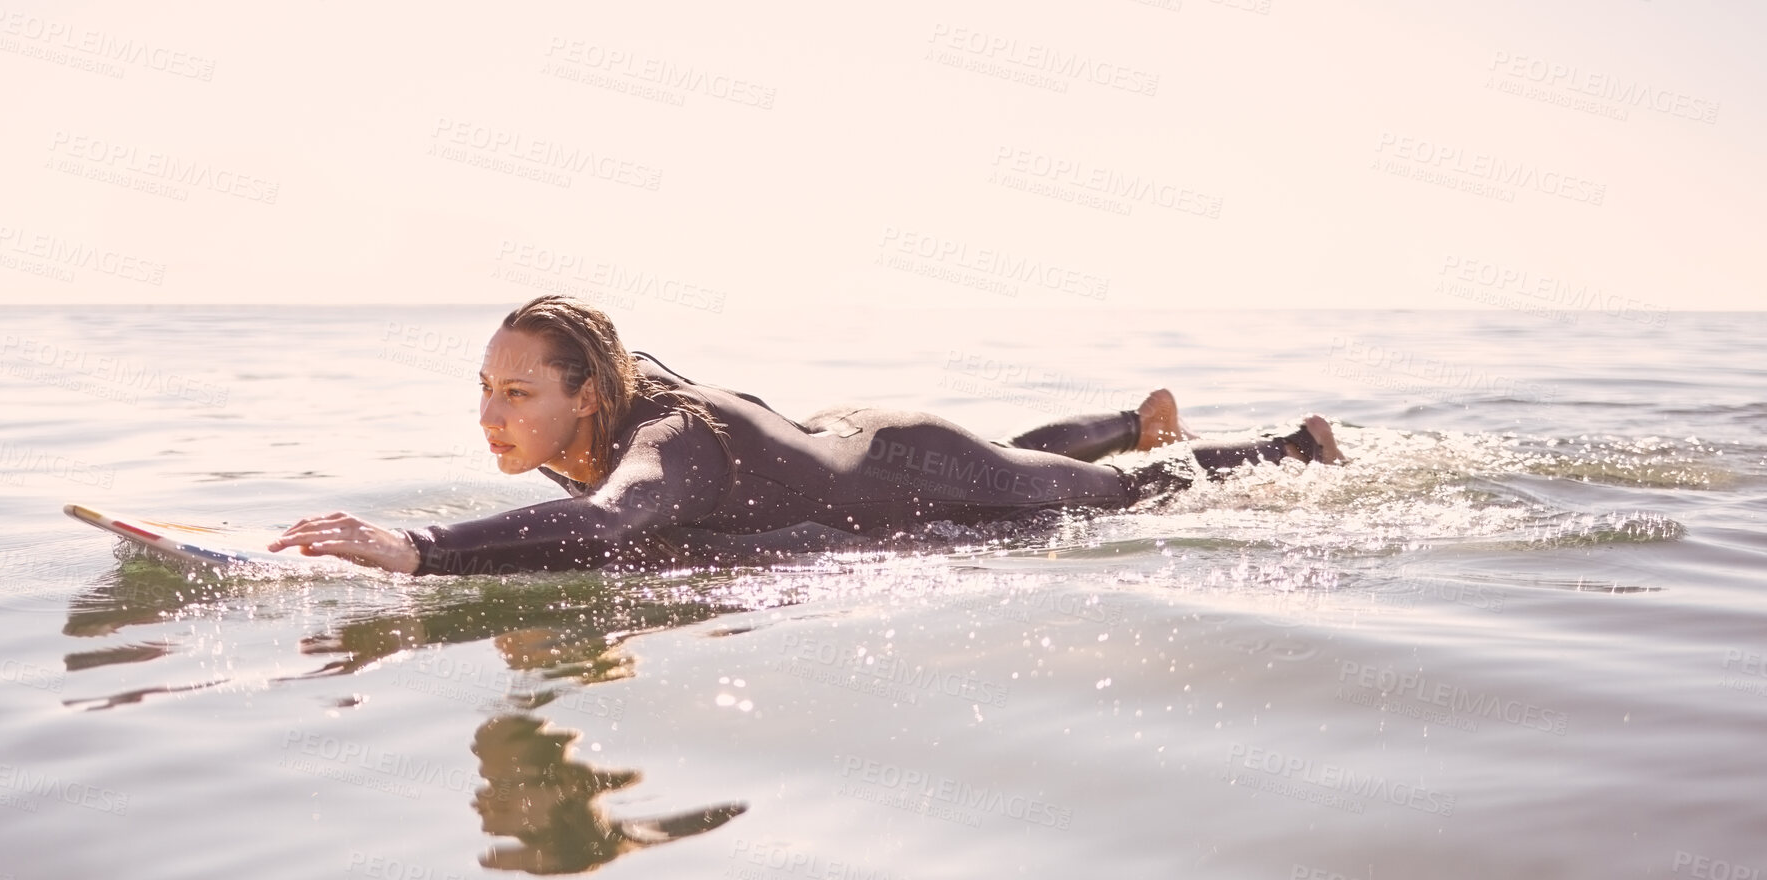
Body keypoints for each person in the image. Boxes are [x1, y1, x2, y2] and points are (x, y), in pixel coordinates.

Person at [268, 295, 1344, 576]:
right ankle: (1128, 418)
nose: (493, 416)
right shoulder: (608, 408)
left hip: (912, 466)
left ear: (586, 396)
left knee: (1110, 500)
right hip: (853, 439)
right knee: (1030, 461)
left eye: (517, 393)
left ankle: (1293, 446)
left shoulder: (662, 443)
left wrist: (419, 550)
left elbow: (607, 530)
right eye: (486, 390)